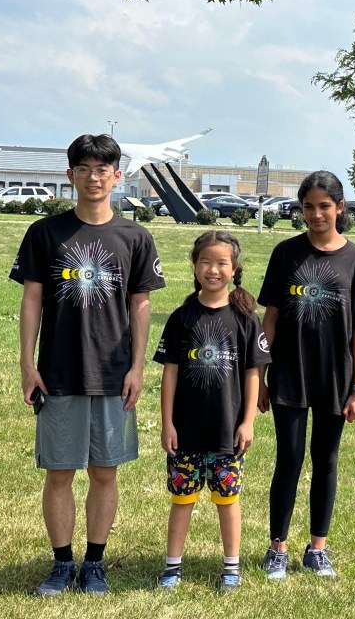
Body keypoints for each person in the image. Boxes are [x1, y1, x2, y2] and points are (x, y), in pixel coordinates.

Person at [11, 134, 166, 596]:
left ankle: (94, 563)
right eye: (84, 169)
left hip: (113, 373)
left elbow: (141, 306)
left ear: (118, 176)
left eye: (103, 169)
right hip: (58, 371)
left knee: (105, 471)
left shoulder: (135, 236)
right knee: (59, 472)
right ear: (70, 175)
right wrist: (26, 363)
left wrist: (138, 367)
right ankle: (62, 564)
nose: (94, 177)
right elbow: (31, 300)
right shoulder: (45, 233)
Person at [258, 170, 355, 580]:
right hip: (289, 375)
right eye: (308, 207)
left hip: (335, 379)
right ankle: (278, 549)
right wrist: (260, 375)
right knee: (288, 459)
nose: (315, 214)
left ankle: (317, 549)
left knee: (325, 460)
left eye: (324, 206)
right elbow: (269, 320)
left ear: (340, 208)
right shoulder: (286, 254)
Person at [154, 230, 268, 592]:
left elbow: (253, 374)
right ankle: (172, 567)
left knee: (227, 500)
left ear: (235, 269)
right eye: (205, 261)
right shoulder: (181, 317)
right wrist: (167, 423)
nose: (213, 269)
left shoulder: (247, 319)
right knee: (182, 499)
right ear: (194, 266)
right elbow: (169, 373)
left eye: (221, 263)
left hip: (227, 432)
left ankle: (231, 567)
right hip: (185, 431)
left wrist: (248, 421)